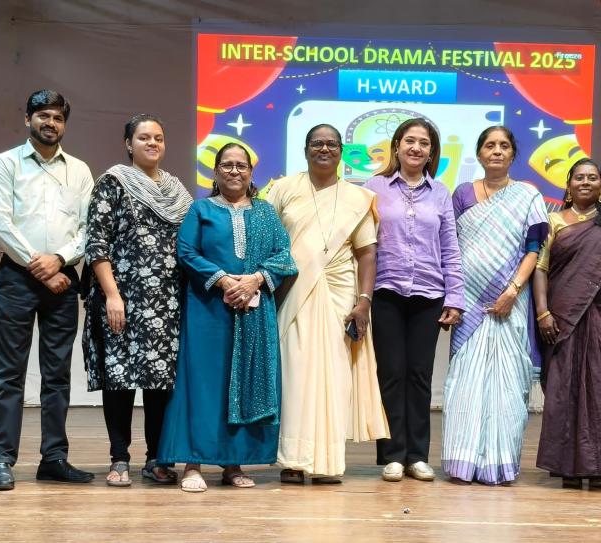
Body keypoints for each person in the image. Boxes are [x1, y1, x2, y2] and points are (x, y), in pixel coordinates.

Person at [157, 143, 296, 492]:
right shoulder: (201, 209)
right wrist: (222, 280)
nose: (235, 171)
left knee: (241, 383)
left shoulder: (265, 213)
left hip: (253, 311)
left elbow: (284, 255)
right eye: (227, 165)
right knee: (203, 384)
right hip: (208, 311)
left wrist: (256, 279)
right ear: (216, 171)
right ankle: (192, 463)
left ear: (251, 172)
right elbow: (186, 252)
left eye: (241, 165)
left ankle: (233, 464)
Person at [266, 124, 389, 484]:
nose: (324, 149)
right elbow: (267, 240)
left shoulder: (358, 198)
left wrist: (364, 301)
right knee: (294, 375)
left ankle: (327, 463)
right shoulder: (283, 189)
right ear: (305, 150)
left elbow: (367, 253)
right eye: (317, 143)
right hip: (292, 291)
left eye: (331, 144)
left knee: (335, 378)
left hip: (340, 296)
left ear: (341, 151)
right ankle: (293, 461)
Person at [0, 90, 95, 491]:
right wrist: (42, 266)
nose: (51, 123)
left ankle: (54, 458)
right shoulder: (6, 163)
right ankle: (1, 460)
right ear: (28, 119)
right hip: (17, 278)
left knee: (57, 375)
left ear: (65, 125)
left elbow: (88, 228)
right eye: (43, 115)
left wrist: (60, 259)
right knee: (8, 373)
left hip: (63, 280)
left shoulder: (79, 171)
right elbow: (0, 222)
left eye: (58, 118)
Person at [83, 114, 192, 487]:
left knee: (161, 383)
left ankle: (156, 459)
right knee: (120, 380)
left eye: (158, 137)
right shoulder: (113, 182)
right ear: (129, 144)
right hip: (123, 299)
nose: (152, 143)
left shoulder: (177, 191)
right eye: (144, 137)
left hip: (167, 301)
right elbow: (96, 242)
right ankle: (119, 459)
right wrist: (112, 295)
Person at [442, 126, 549, 485]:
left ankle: (498, 464)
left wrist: (513, 290)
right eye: (490, 145)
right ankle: (462, 462)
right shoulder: (462, 194)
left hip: (511, 302)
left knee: (507, 386)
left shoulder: (527, 195)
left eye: (504, 145)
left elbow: (534, 249)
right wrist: (455, 296)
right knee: (465, 383)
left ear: (513, 154)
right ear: (479, 153)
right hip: (469, 304)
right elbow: (451, 247)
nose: (497, 151)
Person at [363, 118, 465, 483]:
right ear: (397, 146)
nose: (416, 148)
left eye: (424, 143)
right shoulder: (373, 187)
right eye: (410, 141)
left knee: (420, 375)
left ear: (431, 152)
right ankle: (393, 455)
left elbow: (450, 248)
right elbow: (364, 244)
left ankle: (418, 455)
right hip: (386, 292)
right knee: (391, 373)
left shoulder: (440, 192)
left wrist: (454, 296)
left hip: (429, 294)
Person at [533, 158, 601, 490]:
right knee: (562, 391)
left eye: (592, 177)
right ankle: (567, 466)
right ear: (568, 185)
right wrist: (542, 312)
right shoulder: (553, 222)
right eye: (579, 177)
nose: (585, 182)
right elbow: (541, 269)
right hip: (562, 319)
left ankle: (600, 466)